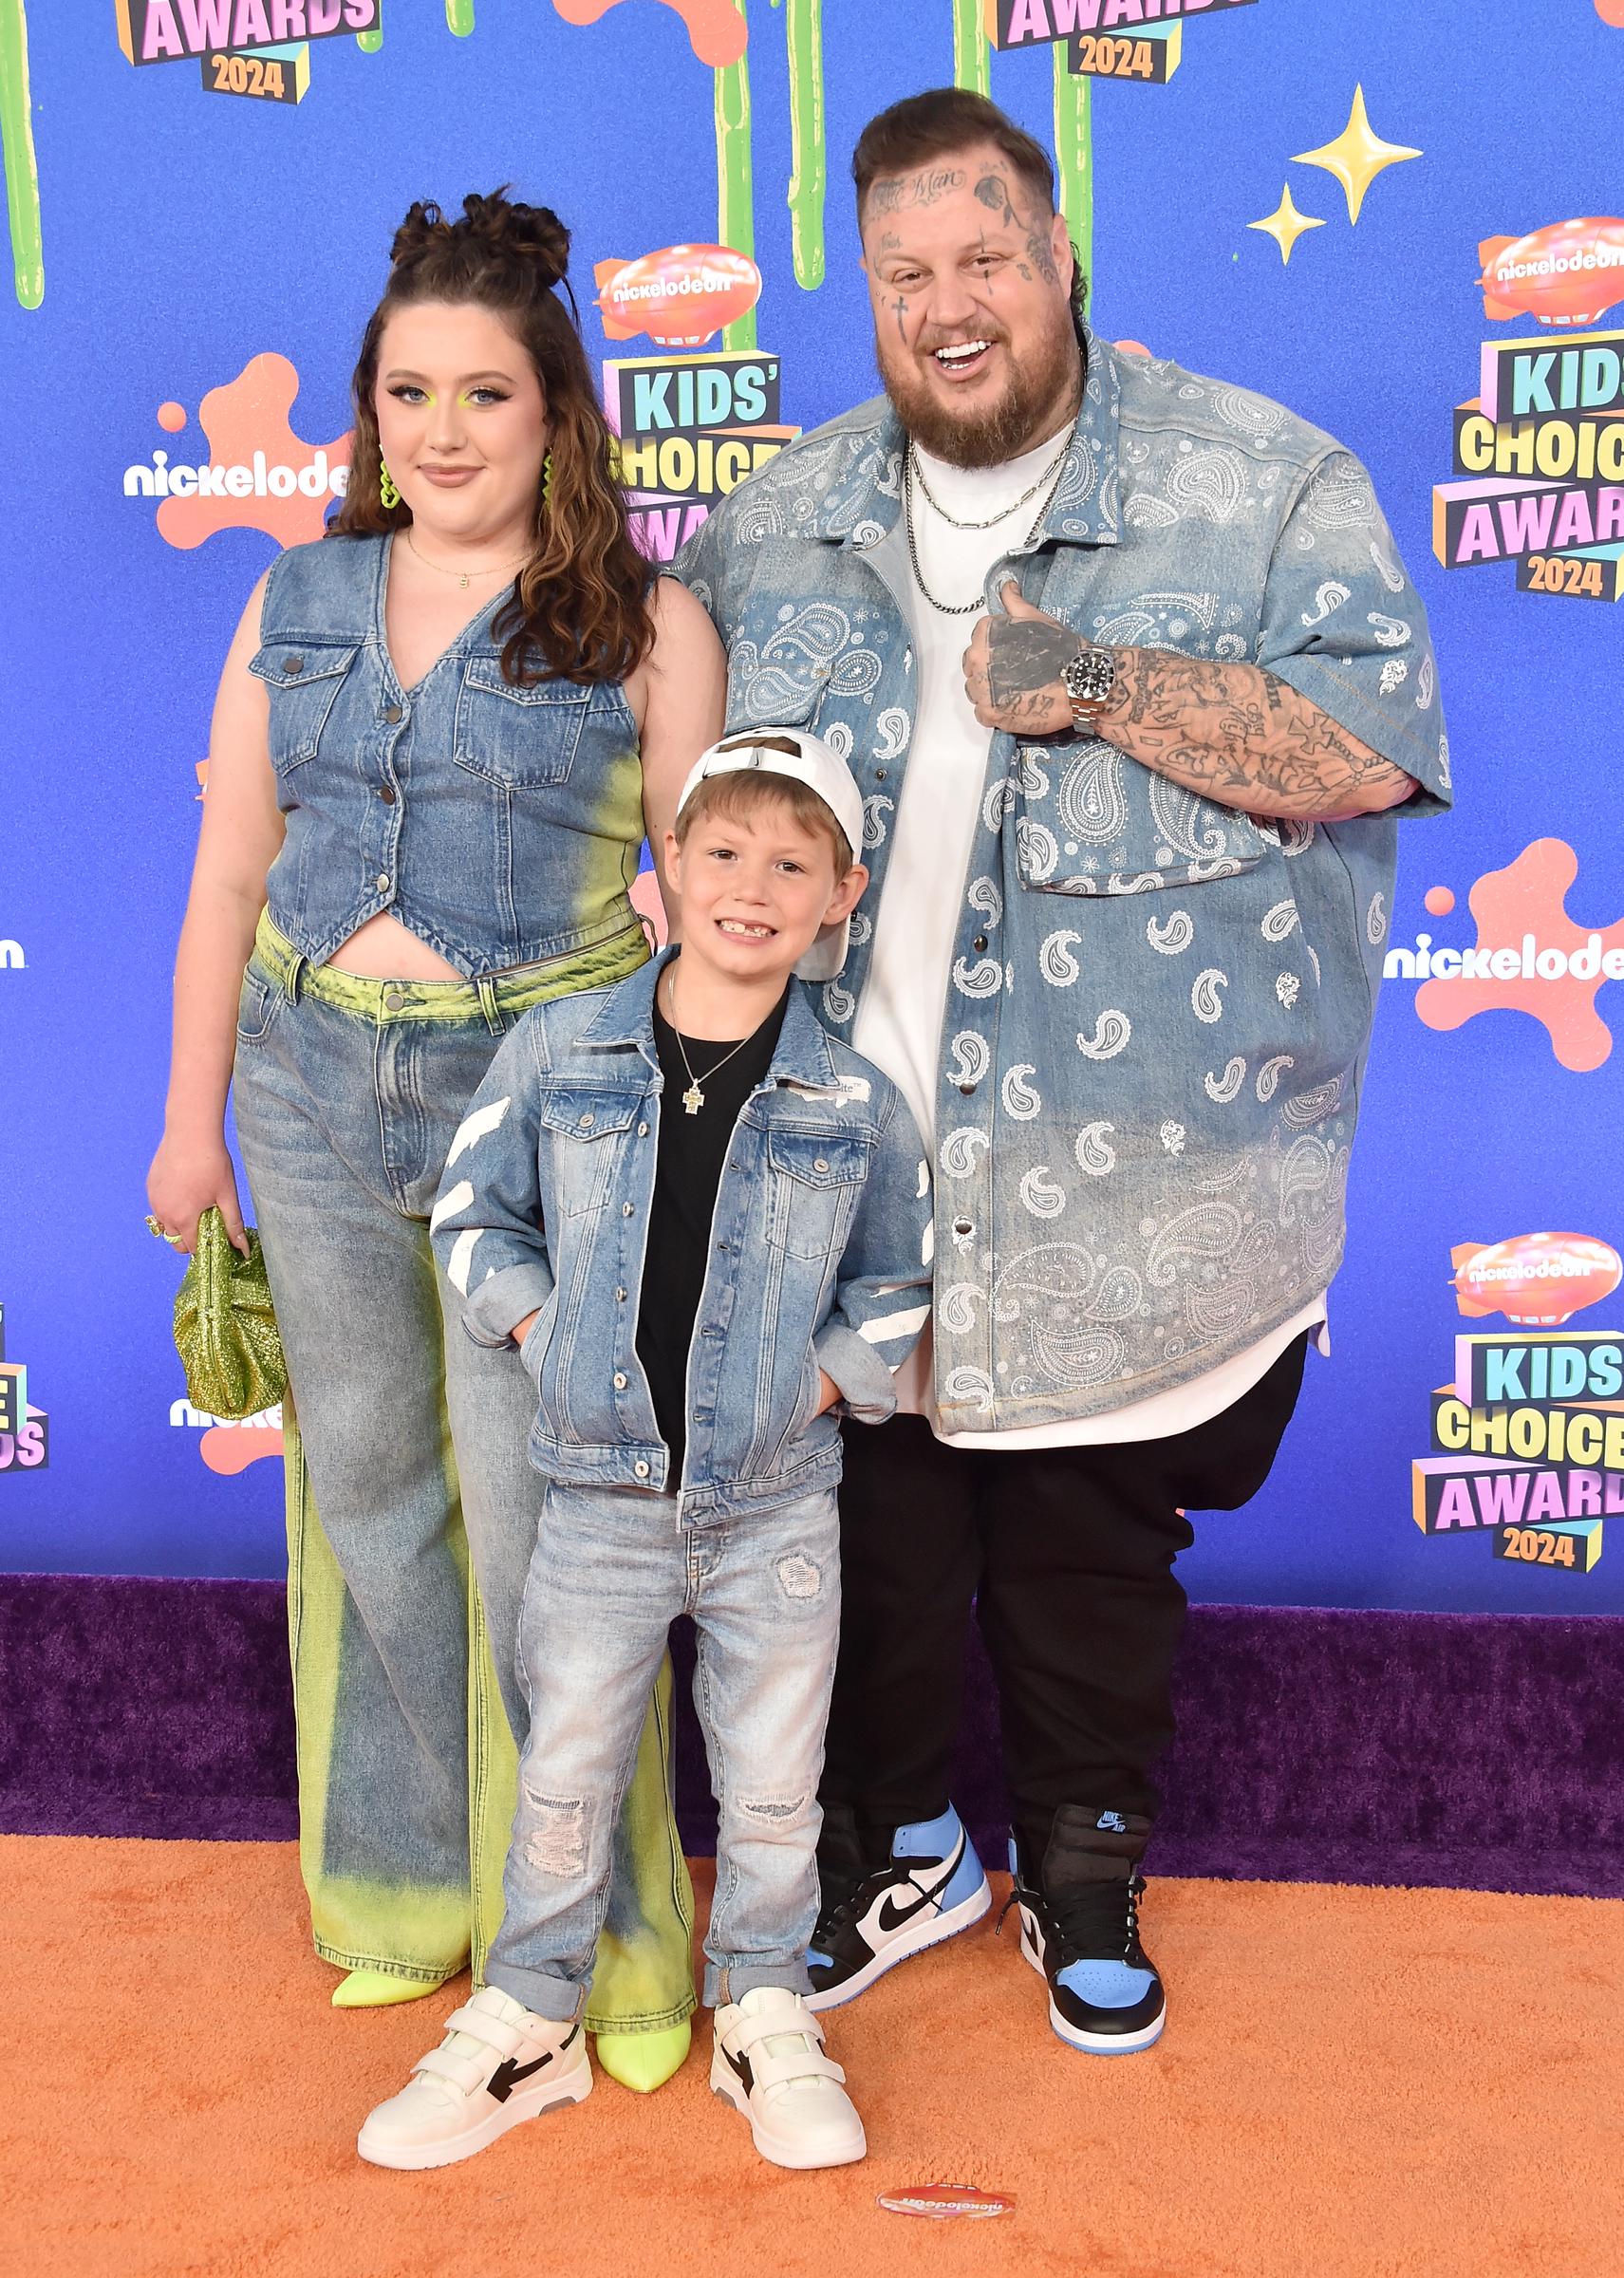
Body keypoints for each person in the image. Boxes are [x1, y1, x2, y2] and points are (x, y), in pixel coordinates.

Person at [673, 89, 1450, 2055]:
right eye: (904, 273)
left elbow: (1369, 754)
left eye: (985, 260)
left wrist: (1100, 683)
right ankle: (904, 1841)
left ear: (1061, 256)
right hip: (852, 1167)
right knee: (871, 1535)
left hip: (1139, 1180)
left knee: (1090, 1539)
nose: (948, 307)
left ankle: (1084, 1859)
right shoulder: (772, 523)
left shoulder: (1259, 483)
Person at [146, 191, 723, 2086]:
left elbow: (720, 913)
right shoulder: (292, 598)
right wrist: (187, 1129)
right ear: (370, 404)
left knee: (552, 1535)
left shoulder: (649, 626)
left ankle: (604, 1951)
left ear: (557, 408)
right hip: (305, 1097)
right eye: (411, 391)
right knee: (371, 1502)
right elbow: (231, 869)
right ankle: (406, 1901)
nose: (446, 429)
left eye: (487, 391)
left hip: (538, 1108)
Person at [356, 730, 933, 2173]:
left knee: (774, 1784)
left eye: (792, 865)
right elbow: (475, 1213)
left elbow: (897, 1282)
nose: (753, 887)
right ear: (664, 869)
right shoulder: (562, 1048)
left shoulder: (855, 1102)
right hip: (600, 1508)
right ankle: (530, 2017)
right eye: (722, 852)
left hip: (775, 1513)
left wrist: (818, 1390)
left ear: (838, 895)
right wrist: (542, 1333)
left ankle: (762, 2008)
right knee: (565, 1770)